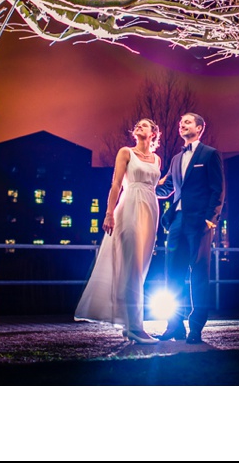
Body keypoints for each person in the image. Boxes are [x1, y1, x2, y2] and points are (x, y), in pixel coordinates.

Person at [74, 118, 161, 344]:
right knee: (131, 266)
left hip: (151, 210)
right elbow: (116, 184)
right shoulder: (125, 152)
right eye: (138, 125)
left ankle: (129, 323)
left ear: (154, 133)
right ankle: (136, 328)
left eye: (145, 125)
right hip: (130, 205)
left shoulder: (157, 159)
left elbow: (156, 187)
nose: (140, 127)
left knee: (140, 268)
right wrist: (109, 213)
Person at [155, 112, 225, 344]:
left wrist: (210, 219)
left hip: (200, 223)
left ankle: (196, 328)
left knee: (199, 274)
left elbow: (218, 189)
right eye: (180, 122)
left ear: (200, 128)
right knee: (171, 274)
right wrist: (145, 183)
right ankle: (174, 326)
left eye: (187, 122)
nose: (182, 125)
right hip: (176, 222)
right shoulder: (176, 159)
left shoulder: (210, 154)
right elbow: (167, 190)